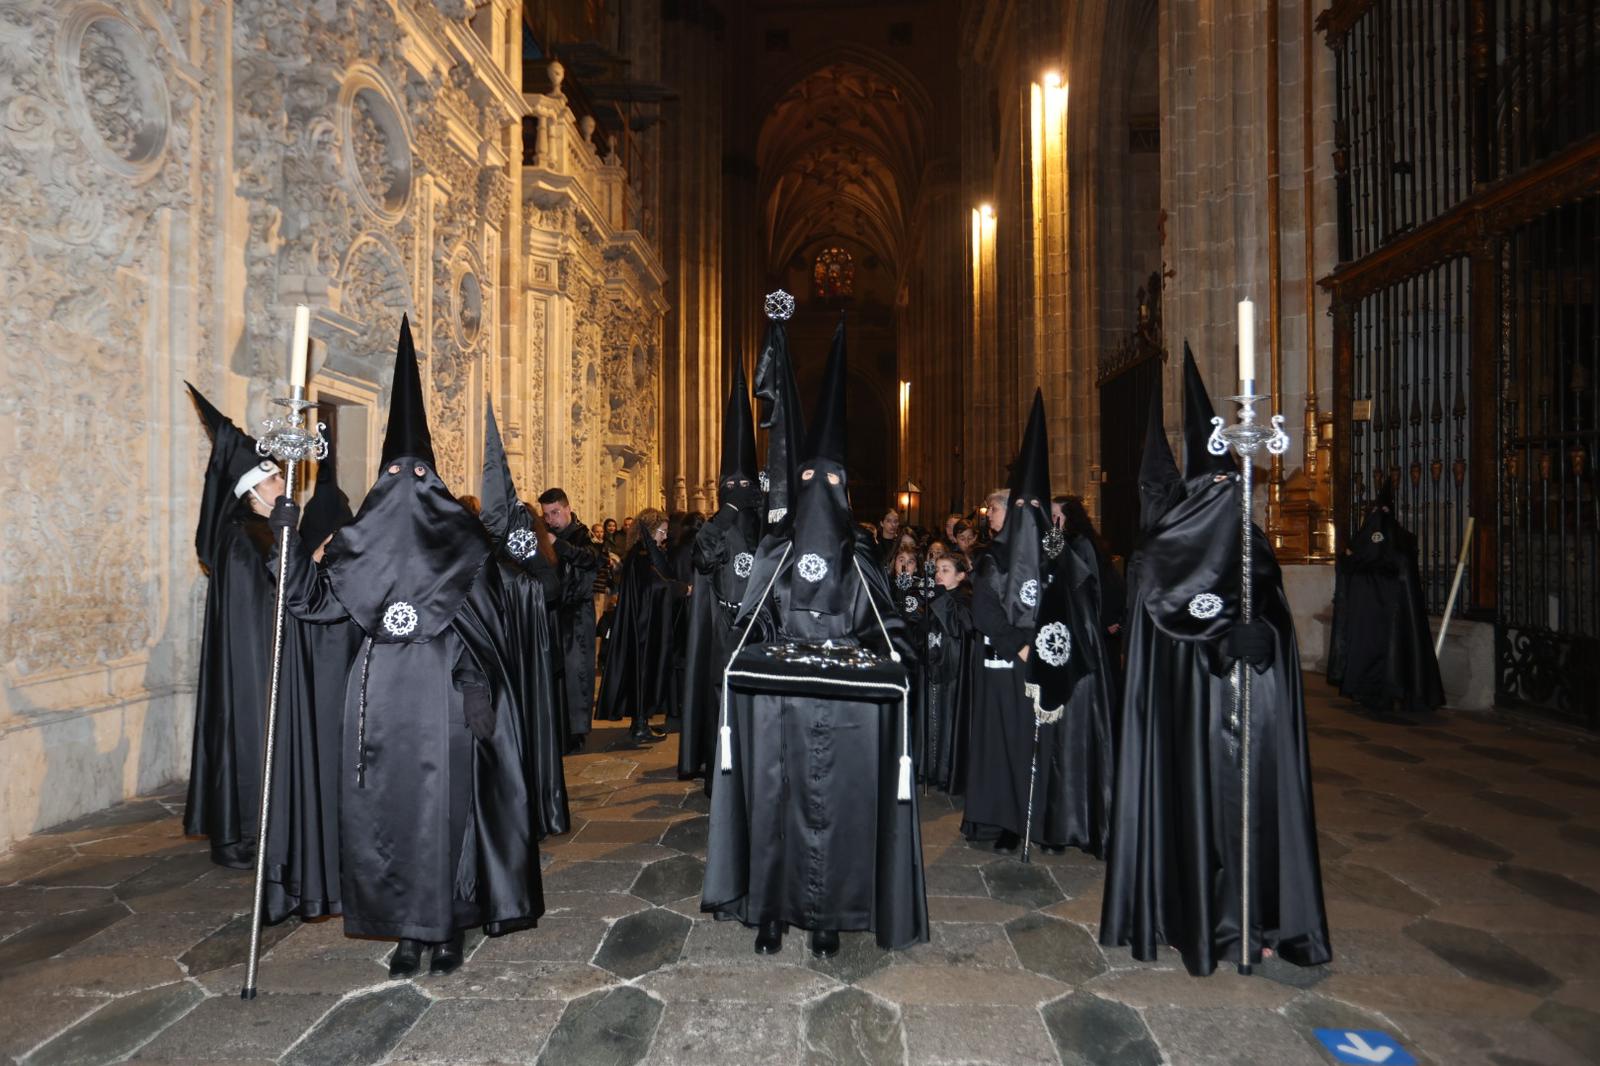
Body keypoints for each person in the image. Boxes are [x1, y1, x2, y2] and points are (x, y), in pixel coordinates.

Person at [269, 315, 550, 977]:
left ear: (430, 475)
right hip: (378, 701)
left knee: (447, 817)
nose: (401, 479)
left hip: (445, 697)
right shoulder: (359, 539)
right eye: (391, 470)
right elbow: (315, 601)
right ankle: (405, 928)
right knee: (389, 815)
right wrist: (284, 536)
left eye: (413, 469)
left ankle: (445, 925)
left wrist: (481, 690)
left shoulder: (463, 539)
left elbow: (489, 620)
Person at [1099, 345, 1330, 977]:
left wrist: (1266, 636)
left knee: (1255, 815)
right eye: (1217, 484)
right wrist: (1214, 647)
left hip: (1255, 717)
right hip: (1191, 725)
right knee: (1196, 816)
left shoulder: (1252, 546)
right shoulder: (1156, 556)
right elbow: (1157, 639)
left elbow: (1275, 613)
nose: (1231, 494)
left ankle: (1258, 921)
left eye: (1235, 483)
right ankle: (1193, 918)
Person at [702, 317, 926, 959]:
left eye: (829, 483)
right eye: (807, 483)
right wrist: (766, 650)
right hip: (779, 710)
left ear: (845, 490)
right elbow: (750, 628)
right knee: (775, 808)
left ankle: (830, 913)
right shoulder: (774, 554)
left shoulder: (860, 562)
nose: (816, 494)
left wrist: (868, 656)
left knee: (840, 812)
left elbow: (894, 640)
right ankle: (769, 910)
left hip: (848, 714)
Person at [183, 386, 358, 930]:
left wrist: (307, 556)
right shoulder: (243, 537)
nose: (285, 484)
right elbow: (258, 606)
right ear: (251, 490)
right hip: (256, 666)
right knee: (252, 740)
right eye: (276, 480)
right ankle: (245, 831)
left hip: (276, 656)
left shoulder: (266, 532)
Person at [961, 391, 1117, 857]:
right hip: (1009, 663)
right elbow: (983, 608)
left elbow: (1080, 606)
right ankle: (1007, 820)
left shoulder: (1060, 557)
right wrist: (1016, 644)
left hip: (1046, 665)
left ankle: (1048, 821)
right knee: (1007, 744)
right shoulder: (994, 559)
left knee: (1048, 746)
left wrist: (1050, 645)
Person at [477, 401, 570, 840]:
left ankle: (533, 806)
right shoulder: (483, 540)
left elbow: (548, 587)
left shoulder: (521, 534)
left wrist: (513, 586)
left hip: (526, 652)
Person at [680, 361, 765, 787]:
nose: (738, 492)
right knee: (719, 695)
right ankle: (718, 769)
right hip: (722, 624)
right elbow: (703, 557)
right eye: (730, 488)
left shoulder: (764, 525)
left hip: (756, 628)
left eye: (743, 487)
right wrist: (728, 511)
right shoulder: (717, 525)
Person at [1326, 478, 1445, 714]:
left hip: (1379, 611)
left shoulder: (1380, 537)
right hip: (1375, 609)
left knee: (1381, 651)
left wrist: (1349, 561)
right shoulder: (1399, 539)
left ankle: (1379, 691)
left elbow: (1356, 559)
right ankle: (1374, 691)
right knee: (1374, 650)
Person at [597, 508, 683, 743]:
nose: (665, 536)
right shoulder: (643, 555)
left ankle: (640, 723)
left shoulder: (642, 553)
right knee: (643, 673)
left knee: (642, 673)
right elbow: (655, 587)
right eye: (662, 531)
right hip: (643, 627)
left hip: (642, 623)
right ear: (651, 530)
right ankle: (640, 726)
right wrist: (681, 589)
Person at [539, 487, 599, 753]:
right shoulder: (545, 535)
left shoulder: (581, 534)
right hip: (554, 613)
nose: (550, 519)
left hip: (577, 613)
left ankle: (577, 731)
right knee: (558, 671)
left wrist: (557, 544)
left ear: (567, 509)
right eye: (546, 515)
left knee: (579, 673)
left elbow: (590, 559)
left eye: (554, 513)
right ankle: (561, 726)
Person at [921, 552, 977, 794]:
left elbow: (959, 626)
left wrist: (941, 598)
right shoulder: (936, 596)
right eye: (936, 569)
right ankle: (930, 769)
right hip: (934, 664)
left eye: (945, 569)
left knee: (949, 717)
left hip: (954, 669)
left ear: (961, 575)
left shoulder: (965, 598)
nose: (938, 574)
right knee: (933, 714)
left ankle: (946, 771)